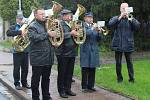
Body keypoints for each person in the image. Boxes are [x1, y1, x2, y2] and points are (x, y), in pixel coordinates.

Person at [108, 3, 140, 83]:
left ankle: (131, 79)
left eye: (126, 8)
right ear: (120, 9)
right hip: (118, 44)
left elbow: (137, 26)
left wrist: (130, 18)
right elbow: (110, 24)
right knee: (118, 63)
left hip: (128, 44)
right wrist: (120, 17)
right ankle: (119, 79)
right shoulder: (116, 18)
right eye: (123, 8)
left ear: (128, 9)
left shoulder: (130, 18)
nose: (124, 10)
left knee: (130, 63)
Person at [28, 8, 54, 100]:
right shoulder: (32, 26)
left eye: (44, 14)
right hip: (38, 58)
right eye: (41, 14)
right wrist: (48, 34)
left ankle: (46, 96)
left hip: (48, 57)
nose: (44, 15)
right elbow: (34, 38)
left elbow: (52, 38)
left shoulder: (48, 25)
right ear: (36, 15)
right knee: (36, 80)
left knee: (46, 79)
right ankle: (35, 97)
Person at [55, 9, 78, 98]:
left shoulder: (72, 24)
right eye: (68, 15)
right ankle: (61, 91)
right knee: (62, 73)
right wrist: (70, 33)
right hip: (63, 52)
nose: (70, 16)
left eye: (71, 15)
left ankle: (68, 89)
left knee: (69, 73)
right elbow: (58, 36)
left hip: (72, 51)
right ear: (63, 16)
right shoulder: (59, 24)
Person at [80, 12, 103, 92]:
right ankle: (84, 87)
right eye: (89, 17)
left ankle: (91, 86)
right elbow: (85, 34)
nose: (91, 19)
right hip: (85, 50)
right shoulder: (82, 26)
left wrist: (99, 32)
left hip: (94, 50)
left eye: (92, 18)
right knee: (85, 69)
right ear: (85, 18)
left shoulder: (95, 27)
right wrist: (93, 28)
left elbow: (99, 40)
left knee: (93, 68)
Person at [6, 14, 30, 90]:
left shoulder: (26, 26)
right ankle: (17, 83)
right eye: (19, 19)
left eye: (22, 19)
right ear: (16, 19)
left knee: (25, 68)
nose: (21, 20)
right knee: (17, 68)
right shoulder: (13, 27)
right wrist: (20, 32)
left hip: (25, 50)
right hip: (17, 51)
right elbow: (8, 33)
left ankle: (24, 83)